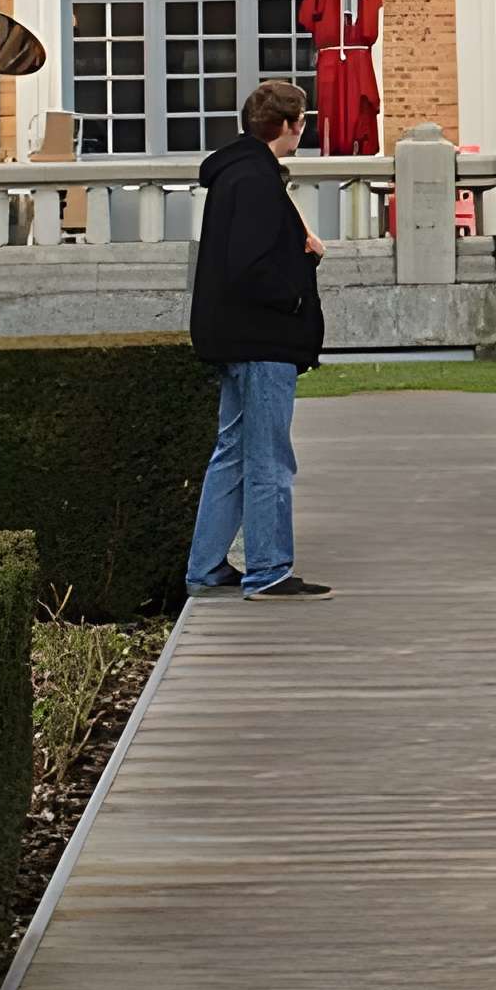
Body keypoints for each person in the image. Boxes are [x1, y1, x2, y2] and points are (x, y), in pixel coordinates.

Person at [185, 78, 332, 600]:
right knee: (269, 456)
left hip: (237, 335)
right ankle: (267, 568)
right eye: (302, 121)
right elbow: (250, 266)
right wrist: (296, 292)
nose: (303, 129)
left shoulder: (238, 173)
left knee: (234, 450)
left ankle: (207, 567)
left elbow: (246, 256)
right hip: (262, 338)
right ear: (288, 126)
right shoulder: (255, 180)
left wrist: (299, 253)